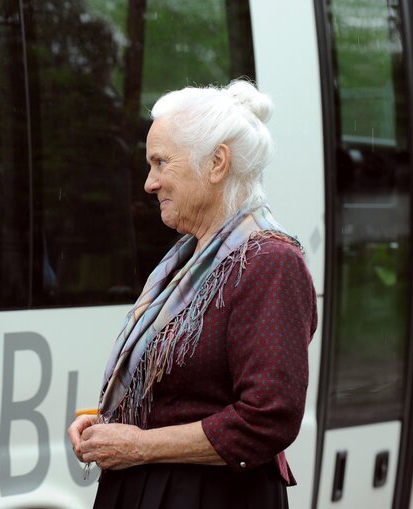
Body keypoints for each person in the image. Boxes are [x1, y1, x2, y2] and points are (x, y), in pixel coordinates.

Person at [68, 80, 316, 509]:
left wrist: (140, 446)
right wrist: (109, 423)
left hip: (211, 497)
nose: (150, 183)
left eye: (161, 162)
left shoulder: (271, 261)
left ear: (217, 163)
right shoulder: (188, 259)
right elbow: (185, 394)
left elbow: (268, 417)